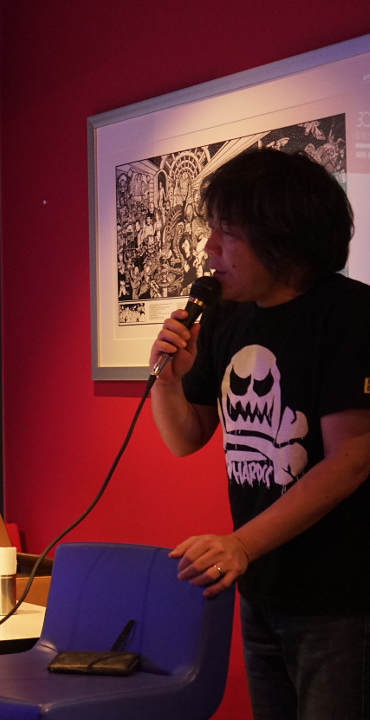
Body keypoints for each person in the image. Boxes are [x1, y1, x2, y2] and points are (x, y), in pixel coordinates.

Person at [148, 148, 370, 720]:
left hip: (340, 597)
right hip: (260, 586)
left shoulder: (350, 313)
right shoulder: (227, 313)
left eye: (226, 233)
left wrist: (241, 544)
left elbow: (351, 459)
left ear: (282, 238)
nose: (209, 249)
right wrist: (166, 383)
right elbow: (186, 437)